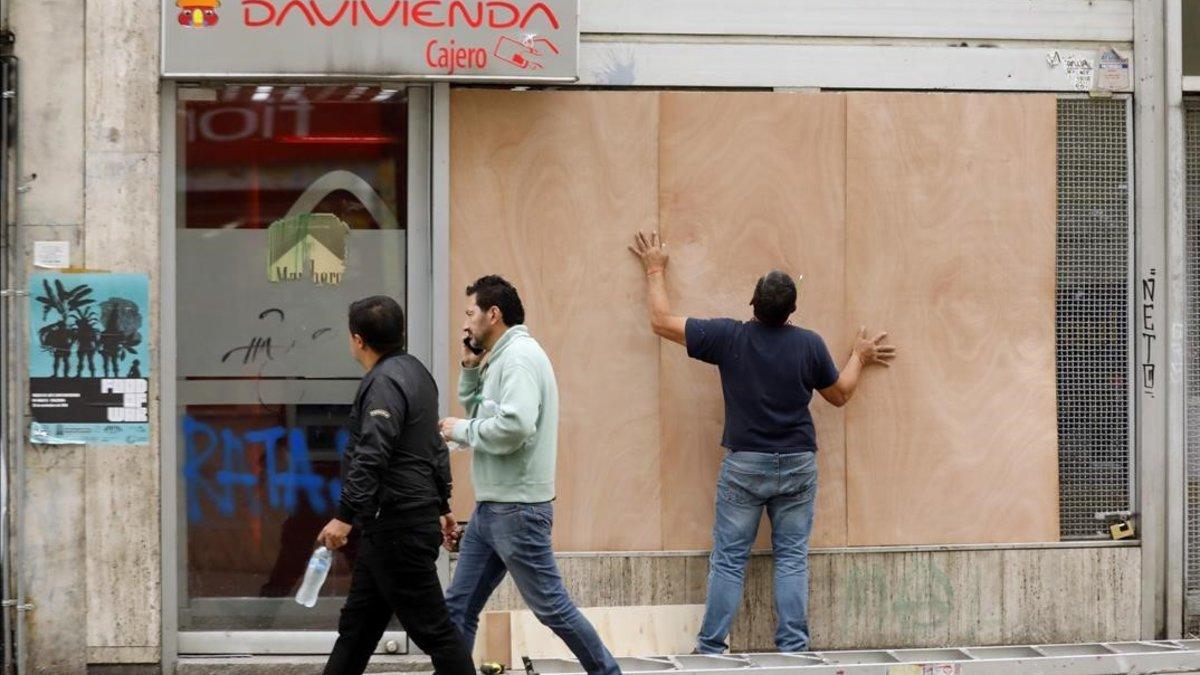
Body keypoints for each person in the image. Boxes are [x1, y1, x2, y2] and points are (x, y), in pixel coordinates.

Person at [628, 231, 896, 654]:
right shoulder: (808, 344)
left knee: (730, 559)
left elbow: (661, 322)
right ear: (793, 310)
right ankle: (793, 649)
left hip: (745, 466)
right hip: (797, 463)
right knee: (790, 558)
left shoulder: (728, 337)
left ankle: (711, 649)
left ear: (753, 303)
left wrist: (656, 268)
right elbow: (840, 394)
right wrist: (859, 356)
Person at [438, 275, 621, 675]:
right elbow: (486, 416)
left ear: (494, 314)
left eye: (471, 313)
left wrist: (459, 430)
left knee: (552, 608)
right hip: (494, 509)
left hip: (517, 511)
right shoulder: (501, 358)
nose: (465, 325)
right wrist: (470, 371)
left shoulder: (519, 358)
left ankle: (609, 673)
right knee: (458, 607)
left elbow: (516, 427)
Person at [317, 295, 474, 675]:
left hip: (397, 526)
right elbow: (434, 447)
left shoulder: (384, 383)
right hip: (394, 525)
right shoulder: (417, 374)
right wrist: (442, 506)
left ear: (357, 339)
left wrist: (344, 517)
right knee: (356, 632)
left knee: (436, 632)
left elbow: (373, 453)